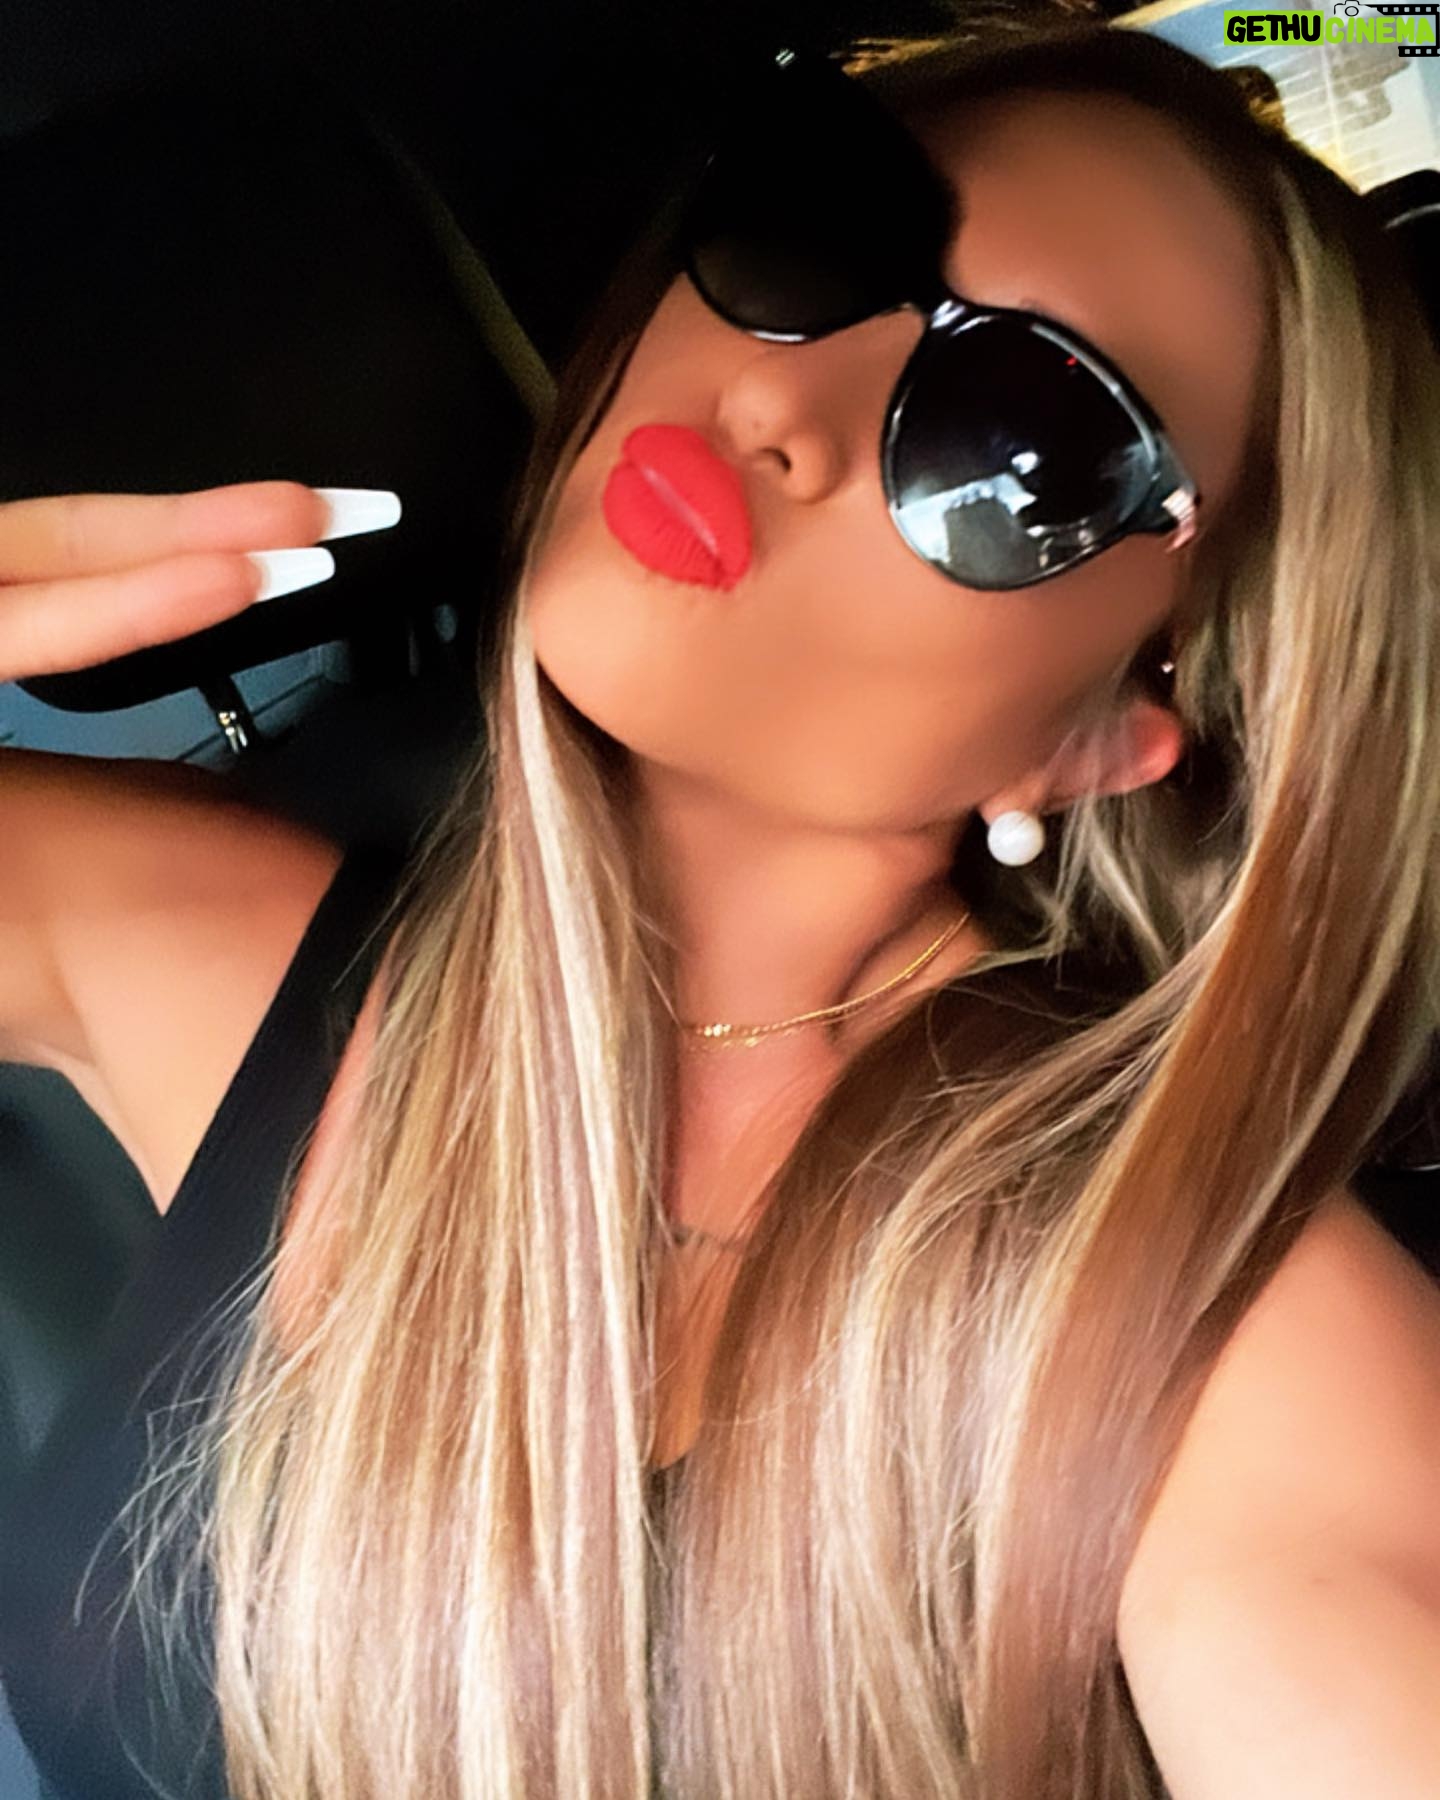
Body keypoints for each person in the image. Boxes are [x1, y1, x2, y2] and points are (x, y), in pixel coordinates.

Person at [2, 15, 1440, 1799]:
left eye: (1022, 431)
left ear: (1112, 731)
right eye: (821, 230)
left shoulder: (1207, 1325)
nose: (782, 402)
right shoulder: (206, 933)